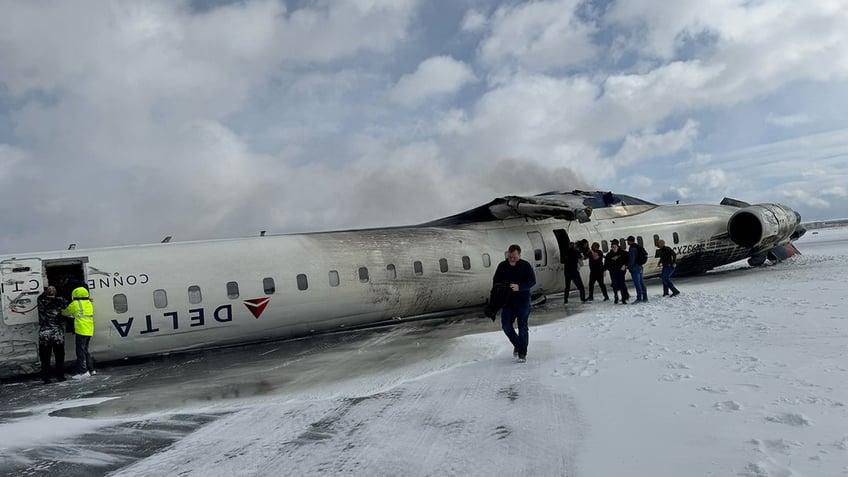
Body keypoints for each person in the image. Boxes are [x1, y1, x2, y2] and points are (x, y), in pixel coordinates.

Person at [492, 244, 536, 362]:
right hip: (508, 302)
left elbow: (532, 281)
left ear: (519, 255)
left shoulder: (525, 265)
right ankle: (518, 344)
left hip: (523, 301)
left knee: (522, 326)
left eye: (514, 257)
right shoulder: (502, 266)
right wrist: (502, 287)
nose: (512, 259)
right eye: (510, 257)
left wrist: (520, 287)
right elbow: (495, 282)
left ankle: (522, 353)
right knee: (506, 326)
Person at [62, 286, 95, 378]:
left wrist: (61, 310)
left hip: (81, 329)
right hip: (89, 329)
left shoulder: (75, 304)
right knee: (85, 350)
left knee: (80, 351)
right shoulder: (89, 303)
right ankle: (91, 369)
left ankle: (83, 372)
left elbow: (65, 312)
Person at [37, 286, 67, 383]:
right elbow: (67, 305)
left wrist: (45, 291)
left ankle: (46, 377)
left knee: (45, 357)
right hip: (57, 333)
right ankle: (60, 376)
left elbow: (40, 296)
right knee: (59, 357)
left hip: (44, 333)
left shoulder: (41, 301)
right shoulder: (60, 301)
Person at [605, 239, 630, 304]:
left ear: (617, 247)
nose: (614, 248)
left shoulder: (623, 253)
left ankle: (624, 298)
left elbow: (627, 259)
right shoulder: (609, 255)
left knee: (622, 284)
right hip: (613, 272)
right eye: (613, 247)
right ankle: (616, 296)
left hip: (621, 272)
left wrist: (625, 265)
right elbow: (606, 264)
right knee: (615, 285)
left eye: (615, 247)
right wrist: (608, 269)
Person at [626, 236, 649, 303]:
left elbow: (632, 259)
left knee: (637, 283)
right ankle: (645, 297)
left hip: (635, 268)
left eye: (628, 241)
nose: (627, 242)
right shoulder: (638, 247)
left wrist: (629, 266)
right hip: (640, 266)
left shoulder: (632, 248)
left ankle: (639, 298)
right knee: (642, 282)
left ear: (630, 241)